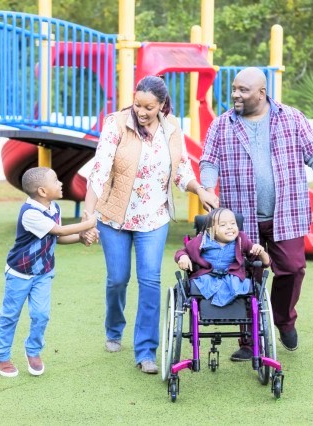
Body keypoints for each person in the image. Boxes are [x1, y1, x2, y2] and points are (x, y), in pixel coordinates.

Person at [199, 67, 313, 361]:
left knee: (293, 268)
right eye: (234, 89)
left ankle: (284, 321)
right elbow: (208, 161)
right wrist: (206, 187)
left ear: (261, 93)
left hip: (286, 213)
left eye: (243, 90)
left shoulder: (291, 118)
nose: (235, 95)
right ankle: (249, 340)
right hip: (239, 220)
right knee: (245, 276)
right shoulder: (222, 125)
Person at [83, 75, 219, 375]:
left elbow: (182, 171)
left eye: (149, 107)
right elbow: (100, 169)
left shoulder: (171, 130)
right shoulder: (116, 124)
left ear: (161, 105)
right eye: (137, 104)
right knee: (117, 278)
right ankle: (114, 328)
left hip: (154, 217)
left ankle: (146, 350)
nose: (141, 112)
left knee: (150, 281)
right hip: (114, 216)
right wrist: (88, 214)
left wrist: (201, 191)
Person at [0, 167, 97, 377]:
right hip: (19, 274)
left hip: (43, 273)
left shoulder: (54, 207)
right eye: (56, 180)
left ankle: (33, 351)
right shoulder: (30, 213)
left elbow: (56, 238)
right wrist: (89, 223)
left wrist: (81, 237)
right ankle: (1, 354)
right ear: (42, 191)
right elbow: (58, 230)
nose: (60, 183)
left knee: (41, 315)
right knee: (10, 315)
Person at [174, 208, 271, 307]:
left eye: (233, 223)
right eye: (223, 225)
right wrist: (183, 257)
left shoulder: (241, 240)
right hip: (207, 278)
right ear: (211, 230)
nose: (229, 227)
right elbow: (182, 251)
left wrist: (261, 252)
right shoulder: (202, 241)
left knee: (243, 284)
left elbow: (266, 263)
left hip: (233, 279)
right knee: (198, 285)